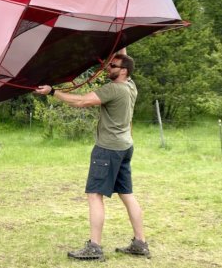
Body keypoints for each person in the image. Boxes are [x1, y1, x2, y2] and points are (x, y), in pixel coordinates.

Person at [34, 51, 150, 261]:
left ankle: (94, 248)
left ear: (123, 71)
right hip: (125, 147)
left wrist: (52, 92)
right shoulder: (131, 85)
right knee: (127, 194)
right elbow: (123, 55)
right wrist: (121, 42)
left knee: (94, 195)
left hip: (108, 150)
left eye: (112, 66)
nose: (107, 68)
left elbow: (80, 102)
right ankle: (140, 243)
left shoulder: (113, 89)